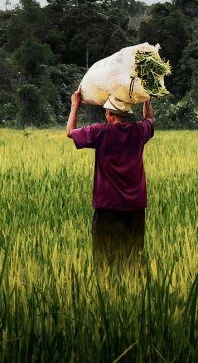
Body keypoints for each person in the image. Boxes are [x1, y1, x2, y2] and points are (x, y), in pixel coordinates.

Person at [66, 89, 154, 268]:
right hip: (135, 206)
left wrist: (75, 105)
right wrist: (146, 99)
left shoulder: (100, 132)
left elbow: (70, 132)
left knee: (104, 257)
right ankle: (135, 289)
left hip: (108, 206)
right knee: (133, 255)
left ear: (109, 114)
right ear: (126, 115)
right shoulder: (138, 130)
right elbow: (150, 120)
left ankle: (108, 289)